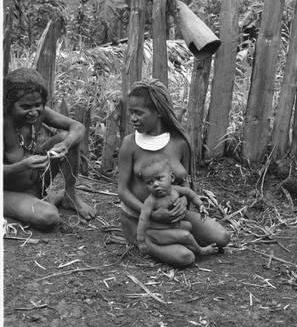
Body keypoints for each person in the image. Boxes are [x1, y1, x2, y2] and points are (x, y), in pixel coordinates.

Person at [118, 78, 230, 267]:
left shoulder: (180, 143)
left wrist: (183, 203)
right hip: (141, 220)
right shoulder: (130, 144)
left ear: (159, 113)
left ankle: (176, 237)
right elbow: (123, 191)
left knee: (223, 238)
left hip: (174, 217)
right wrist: (151, 214)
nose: (133, 118)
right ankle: (146, 241)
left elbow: (186, 183)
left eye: (139, 113)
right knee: (185, 257)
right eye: (131, 112)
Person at [3, 67, 96, 230]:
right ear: (9, 105)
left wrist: (65, 145)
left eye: (37, 105)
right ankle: (42, 200)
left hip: (36, 181)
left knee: (66, 137)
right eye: (25, 107)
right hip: (8, 190)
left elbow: (78, 127)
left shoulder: (41, 113)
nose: (33, 112)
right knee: (49, 217)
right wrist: (23, 165)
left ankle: (69, 195)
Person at [137, 153, 219, 258]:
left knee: (188, 226)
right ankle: (201, 251)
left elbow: (189, 192)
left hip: (172, 226)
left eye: (159, 178)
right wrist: (141, 242)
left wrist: (199, 204)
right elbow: (143, 219)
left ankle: (182, 244)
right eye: (150, 182)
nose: (155, 184)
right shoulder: (151, 201)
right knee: (186, 236)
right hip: (157, 232)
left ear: (171, 177)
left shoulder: (175, 190)